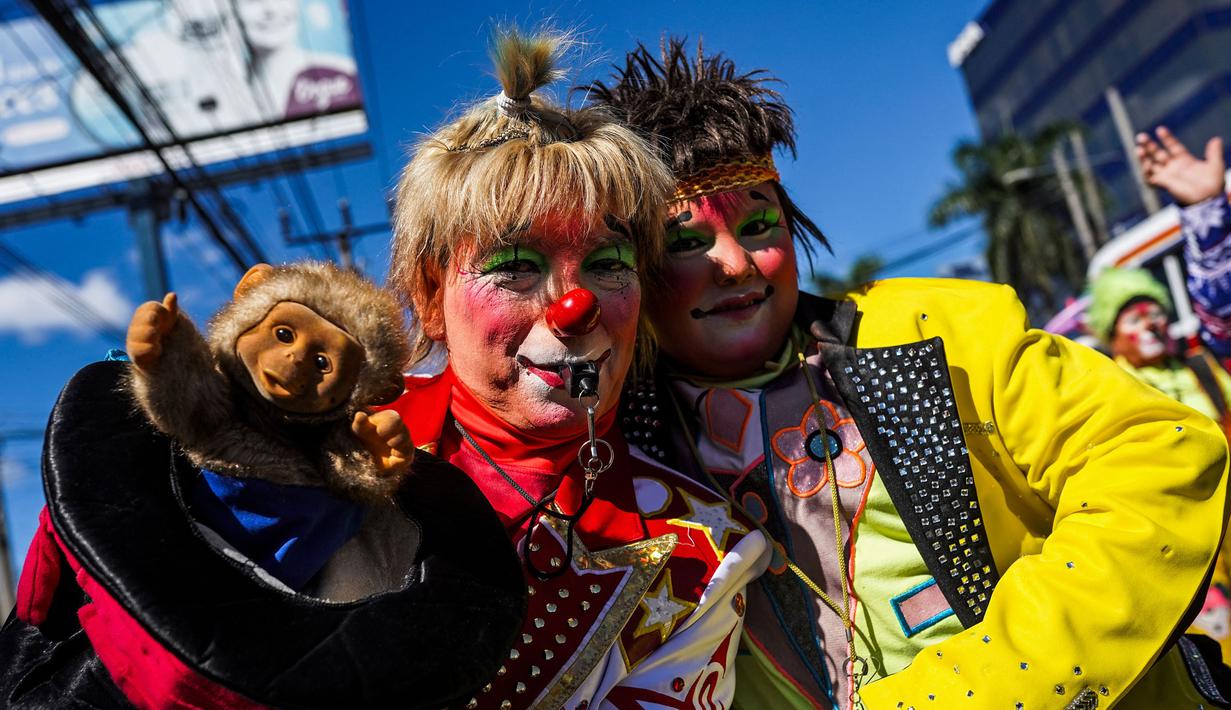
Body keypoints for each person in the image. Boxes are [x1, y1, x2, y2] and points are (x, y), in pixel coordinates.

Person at [589, 39, 1230, 709]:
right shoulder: (615, 438)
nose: (738, 263)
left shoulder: (931, 331)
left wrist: (993, 687)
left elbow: (1155, 454)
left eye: (757, 226)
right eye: (686, 242)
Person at [384, 30, 769, 708]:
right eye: (514, 266)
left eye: (608, 265)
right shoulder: (330, 444)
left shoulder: (702, 553)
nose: (573, 308)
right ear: (428, 297)